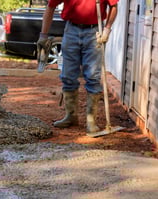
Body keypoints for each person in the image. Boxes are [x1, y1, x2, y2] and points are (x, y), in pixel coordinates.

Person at [37, 0, 118, 133]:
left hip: (94, 31)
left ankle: (91, 121)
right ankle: (71, 116)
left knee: (92, 76)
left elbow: (114, 6)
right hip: (71, 30)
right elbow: (51, 6)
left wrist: (107, 29)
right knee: (68, 76)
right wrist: (43, 35)